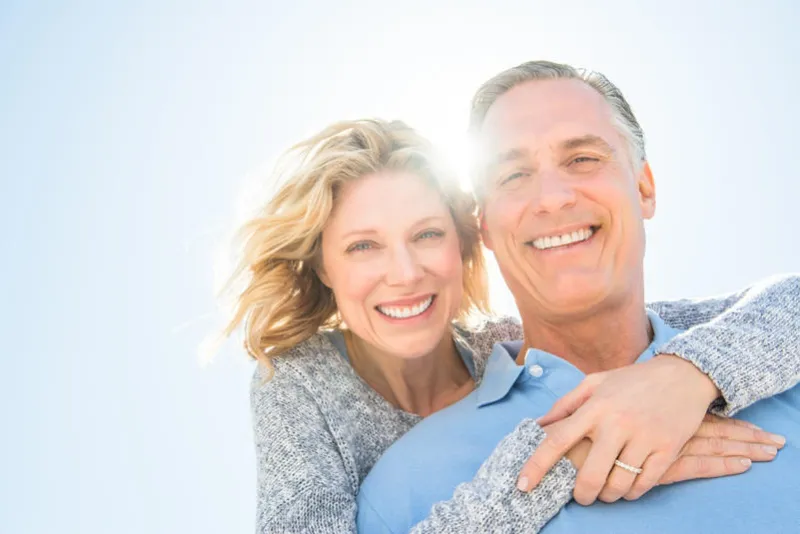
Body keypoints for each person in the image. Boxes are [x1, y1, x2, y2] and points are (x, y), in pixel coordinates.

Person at [221, 119, 799, 534]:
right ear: (323, 265)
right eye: (363, 246)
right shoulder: (299, 382)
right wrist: (557, 458)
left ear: (467, 244)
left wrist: (687, 372)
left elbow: (773, 310)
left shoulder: (505, 347)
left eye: (426, 235)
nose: (404, 273)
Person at [355, 61, 800, 533]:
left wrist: (689, 372)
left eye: (582, 159)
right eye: (512, 175)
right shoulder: (402, 487)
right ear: (484, 226)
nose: (552, 197)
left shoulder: (782, 379)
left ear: (644, 188)